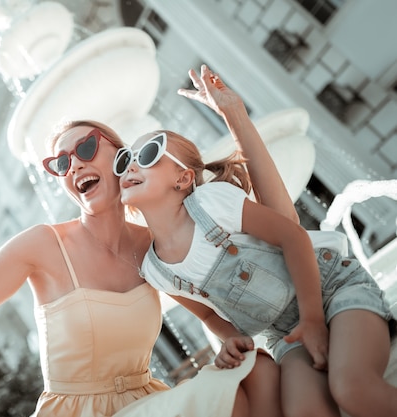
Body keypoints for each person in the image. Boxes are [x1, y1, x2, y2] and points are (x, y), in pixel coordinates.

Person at [0, 65, 285, 417]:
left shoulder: (153, 245)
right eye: (61, 163)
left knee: (257, 375)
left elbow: (213, 312)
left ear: (121, 159)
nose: (75, 165)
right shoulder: (42, 246)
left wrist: (232, 344)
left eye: (85, 149)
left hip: (148, 402)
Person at [113, 72, 397, 417]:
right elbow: (205, 313)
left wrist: (312, 319)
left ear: (183, 178)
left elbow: (293, 237)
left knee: (352, 389)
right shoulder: (156, 270)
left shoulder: (212, 204)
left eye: (148, 153)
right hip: (285, 335)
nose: (131, 166)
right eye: (125, 160)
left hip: (333, 291)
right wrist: (229, 337)